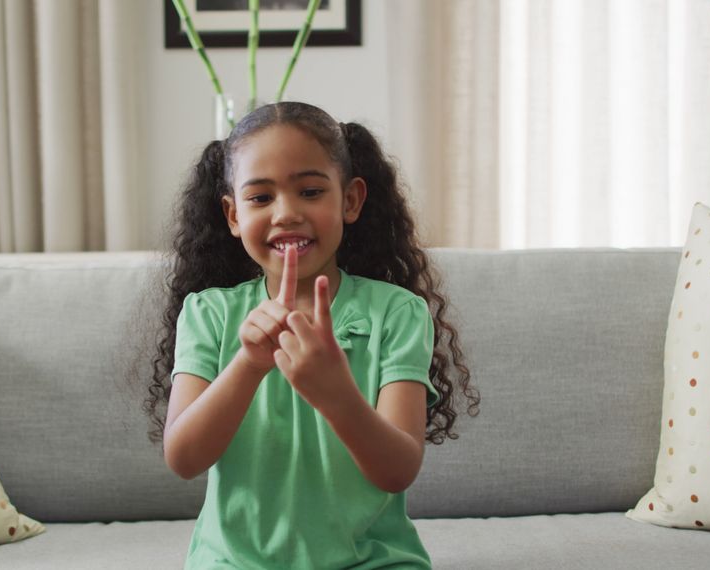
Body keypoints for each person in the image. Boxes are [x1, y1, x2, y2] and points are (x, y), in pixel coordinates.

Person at [144, 101, 479, 568]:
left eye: (310, 191)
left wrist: (337, 394)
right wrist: (249, 364)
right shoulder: (208, 314)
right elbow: (183, 458)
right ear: (233, 215)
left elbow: (398, 471)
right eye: (261, 198)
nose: (286, 213)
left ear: (351, 200)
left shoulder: (398, 314)